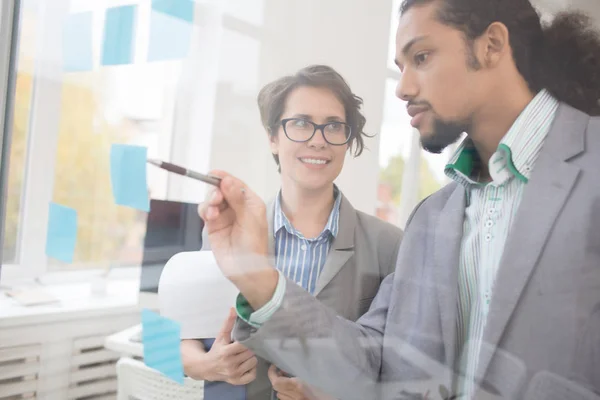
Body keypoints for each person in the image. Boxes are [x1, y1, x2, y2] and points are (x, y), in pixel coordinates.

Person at [198, 0, 600, 399]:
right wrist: (259, 281)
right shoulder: (432, 219)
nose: (403, 88)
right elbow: (375, 365)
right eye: (401, 65)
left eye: (421, 57)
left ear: (491, 45)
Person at [180, 65, 403, 399]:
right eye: (300, 123)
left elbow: (398, 367)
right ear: (273, 137)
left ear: (347, 141)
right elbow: (173, 339)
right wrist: (206, 366)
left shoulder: (390, 245)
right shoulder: (227, 232)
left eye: (333, 126)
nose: (317, 139)